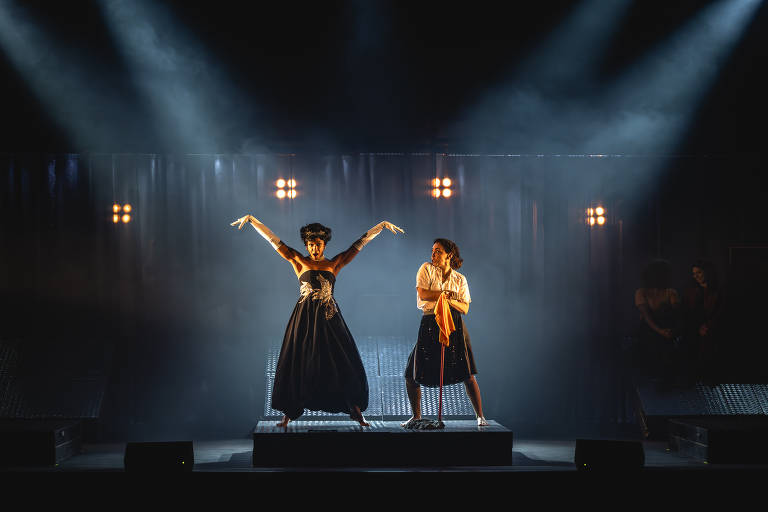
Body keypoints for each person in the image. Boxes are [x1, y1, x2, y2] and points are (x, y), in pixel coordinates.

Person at [231, 215, 404, 427]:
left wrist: (381, 226)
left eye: (318, 244)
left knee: (343, 360)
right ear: (307, 244)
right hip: (304, 318)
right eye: (311, 245)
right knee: (297, 361)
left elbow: (357, 245)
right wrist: (253, 221)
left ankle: (356, 410)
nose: (314, 249)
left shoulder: (334, 264)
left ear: (324, 244)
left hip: (330, 319)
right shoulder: (299, 261)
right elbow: (274, 241)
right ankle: (288, 414)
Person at [402, 238, 488, 428]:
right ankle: (416, 416)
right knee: (411, 373)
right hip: (430, 321)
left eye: (438, 251)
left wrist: (447, 300)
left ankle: (480, 416)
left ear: (449, 254)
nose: (433, 254)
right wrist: (444, 295)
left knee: (467, 372)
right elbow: (423, 294)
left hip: (453, 323)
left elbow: (464, 307)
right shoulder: (426, 268)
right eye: (432, 250)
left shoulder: (460, 279)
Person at [632, 259, 682, 384]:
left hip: (666, 329)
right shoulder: (641, 292)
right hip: (649, 331)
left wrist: (672, 330)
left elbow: (677, 313)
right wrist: (660, 331)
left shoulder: (670, 292)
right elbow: (646, 316)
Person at [682, 259, 722, 384]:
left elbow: (721, 311)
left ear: (707, 272)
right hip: (693, 330)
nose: (696, 276)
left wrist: (708, 326)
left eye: (699, 272)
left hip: (712, 330)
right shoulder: (691, 291)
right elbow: (687, 312)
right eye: (694, 274)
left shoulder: (718, 291)